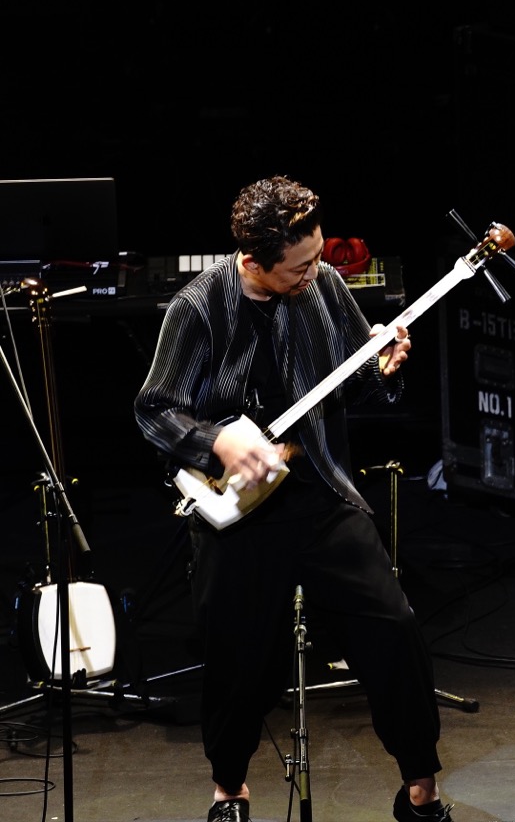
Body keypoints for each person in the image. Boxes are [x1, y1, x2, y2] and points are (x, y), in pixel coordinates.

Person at [134, 175, 453, 822]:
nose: (313, 273)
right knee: (238, 660)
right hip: (237, 514)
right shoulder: (197, 308)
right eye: (298, 266)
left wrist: (382, 367)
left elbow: (352, 380)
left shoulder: (323, 284)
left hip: (320, 494)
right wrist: (216, 441)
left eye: (316, 257)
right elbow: (154, 410)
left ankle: (421, 790)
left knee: (393, 629)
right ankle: (230, 791)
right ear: (254, 261)